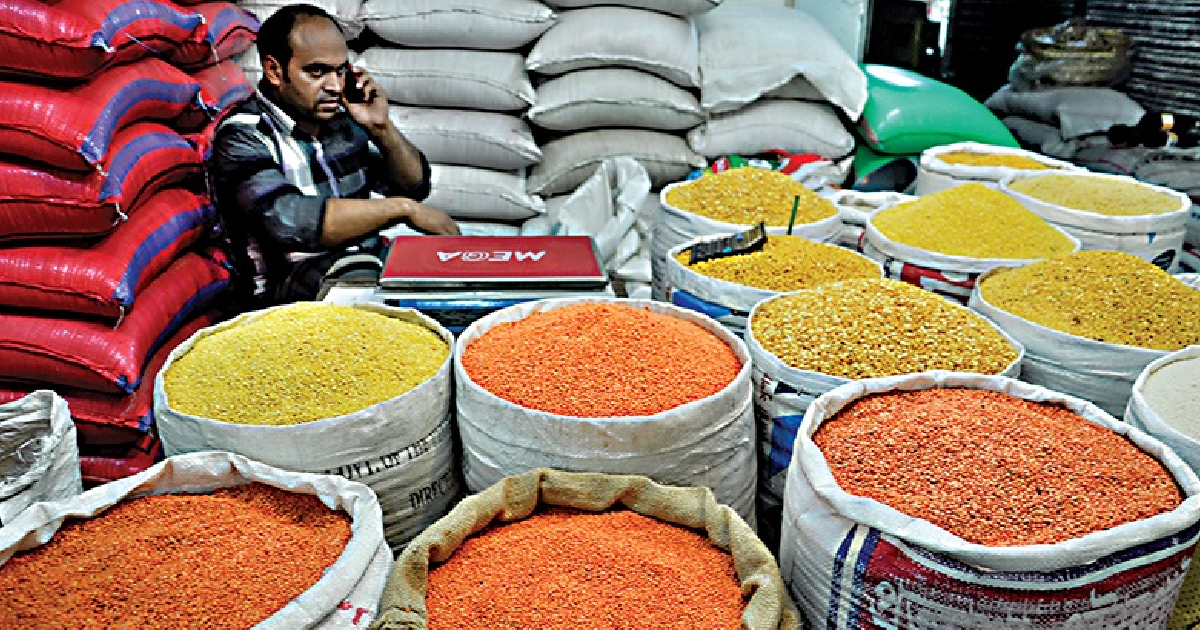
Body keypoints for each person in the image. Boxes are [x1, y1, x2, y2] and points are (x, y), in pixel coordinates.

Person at [210, 4, 459, 308]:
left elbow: (414, 186)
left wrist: (381, 128)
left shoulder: (338, 123)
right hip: (288, 299)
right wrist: (402, 210)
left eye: (340, 71)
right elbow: (289, 221)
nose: (334, 86)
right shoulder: (243, 136)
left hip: (360, 273)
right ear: (275, 71)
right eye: (317, 72)